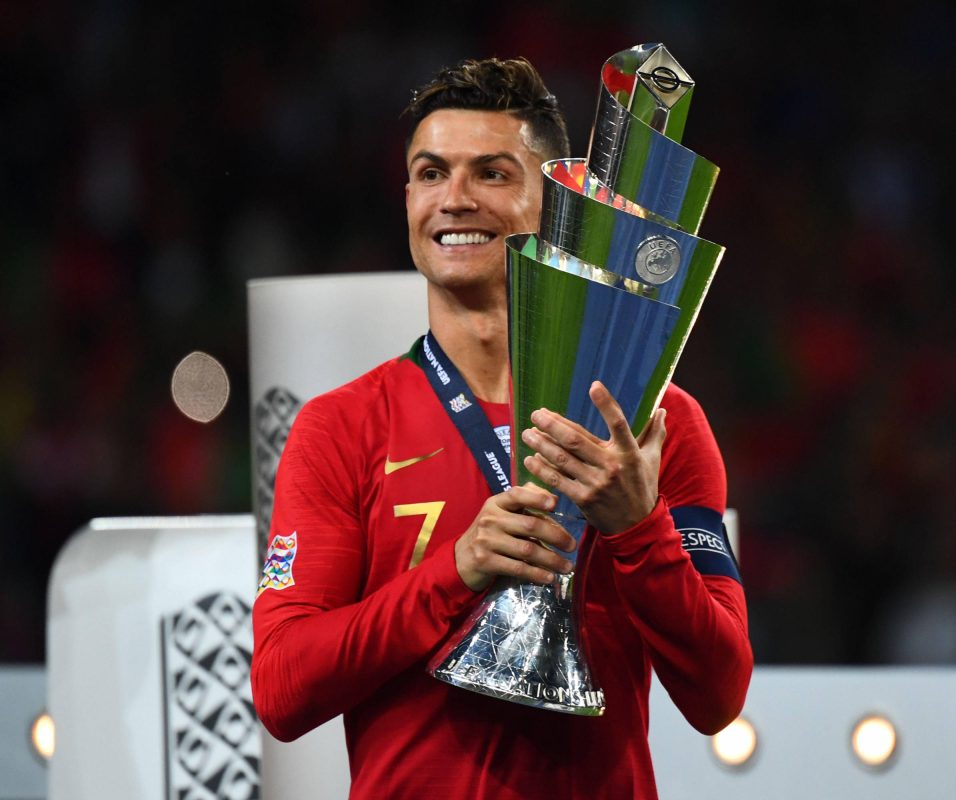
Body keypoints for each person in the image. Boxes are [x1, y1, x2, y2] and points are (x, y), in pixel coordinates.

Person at [251, 56, 752, 799]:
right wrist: (455, 572)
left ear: (557, 204)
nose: (454, 199)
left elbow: (719, 695)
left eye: (491, 174)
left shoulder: (652, 423)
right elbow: (282, 689)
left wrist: (638, 528)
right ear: (408, 199)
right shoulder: (342, 427)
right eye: (430, 173)